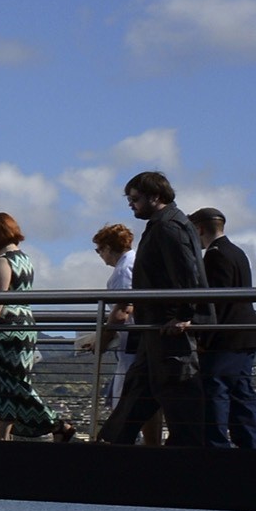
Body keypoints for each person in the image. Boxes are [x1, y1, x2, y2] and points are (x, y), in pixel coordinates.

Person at [99, 171, 208, 447]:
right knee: (139, 392)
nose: (131, 204)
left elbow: (186, 273)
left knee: (178, 399)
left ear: (155, 196)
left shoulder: (167, 227)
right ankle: (111, 448)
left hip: (167, 330)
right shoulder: (166, 224)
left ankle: (185, 464)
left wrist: (184, 315)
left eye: (135, 199)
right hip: (157, 329)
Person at [0, 212, 60, 440]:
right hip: (25, 326)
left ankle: (57, 425)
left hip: (6, 330)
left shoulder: (3, 261)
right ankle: (2, 436)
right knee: (14, 383)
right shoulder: (25, 259)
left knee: (6, 383)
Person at [194, 207, 256, 449]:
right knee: (242, 397)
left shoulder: (215, 255)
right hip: (245, 336)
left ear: (199, 228)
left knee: (216, 396)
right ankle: (253, 451)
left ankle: (217, 448)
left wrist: (203, 337)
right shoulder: (238, 252)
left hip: (225, 340)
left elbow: (216, 303)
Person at [90, 223, 139, 426]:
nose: (99, 255)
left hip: (131, 345)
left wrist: (101, 341)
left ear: (108, 248)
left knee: (125, 398)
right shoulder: (135, 262)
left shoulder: (123, 270)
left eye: (99, 250)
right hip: (135, 342)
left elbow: (122, 312)